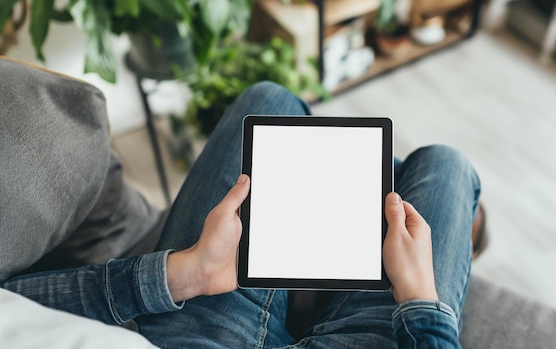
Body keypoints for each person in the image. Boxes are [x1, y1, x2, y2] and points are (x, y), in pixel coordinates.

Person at [1, 72, 482, 348]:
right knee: (446, 165)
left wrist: (182, 274)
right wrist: (419, 298)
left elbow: (15, 307)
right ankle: (385, 180)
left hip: (201, 338)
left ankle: (377, 180)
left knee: (269, 101)